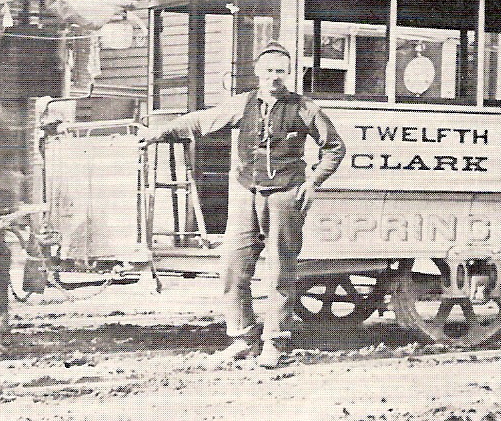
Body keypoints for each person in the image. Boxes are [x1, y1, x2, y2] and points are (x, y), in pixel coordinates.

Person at [139, 42, 346, 368]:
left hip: (284, 194)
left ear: (289, 73)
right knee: (233, 264)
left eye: (280, 71)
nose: (274, 77)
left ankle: (275, 342)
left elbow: (334, 147)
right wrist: (159, 133)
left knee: (280, 270)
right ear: (258, 72)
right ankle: (241, 337)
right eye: (268, 71)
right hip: (245, 190)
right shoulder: (242, 104)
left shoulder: (304, 108)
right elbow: (200, 122)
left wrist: (313, 182)